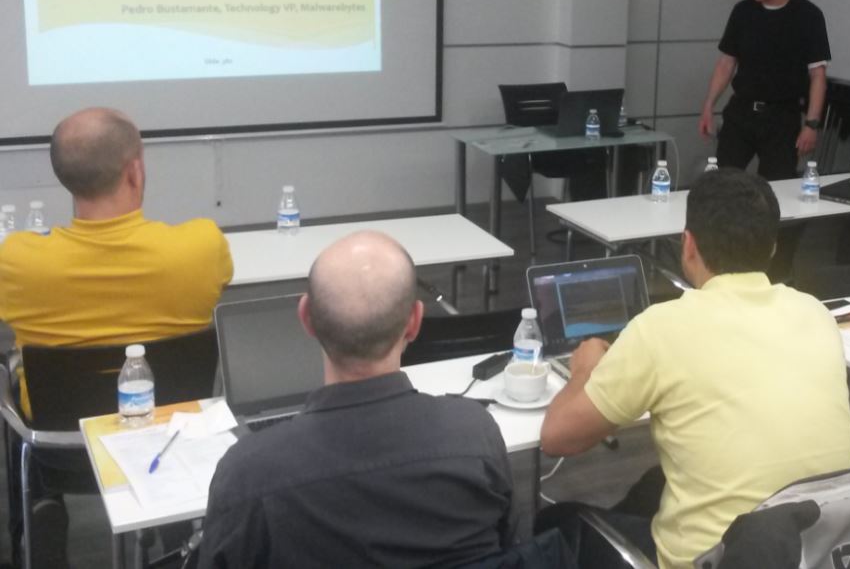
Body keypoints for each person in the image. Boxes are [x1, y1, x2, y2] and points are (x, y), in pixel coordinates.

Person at [539, 169, 850, 568]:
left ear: (688, 245)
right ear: (773, 247)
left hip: (717, 561)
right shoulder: (815, 312)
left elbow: (557, 438)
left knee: (556, 524)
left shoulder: (661, 329)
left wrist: (584, 369)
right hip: (818, 549)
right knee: (655, 484)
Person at [197, 231, 515, 567]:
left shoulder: (247, 471)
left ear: (306, 318)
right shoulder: (475, 432)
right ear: (415, 322)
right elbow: (508, 545)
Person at [0, 107, 234, 416]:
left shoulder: (15, 261)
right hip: (172, 436)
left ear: (63, 176)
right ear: (134, 173)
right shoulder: (203, 245)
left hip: (58, 447)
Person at [698, 0, 830, 181]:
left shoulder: (808, 15)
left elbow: (818, 75)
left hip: (782, 116)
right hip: (742, 111)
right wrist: (709, 104)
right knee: (724, 181)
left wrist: (811, 124)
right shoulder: (743, 12)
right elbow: (727, 63)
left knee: (776, 187)